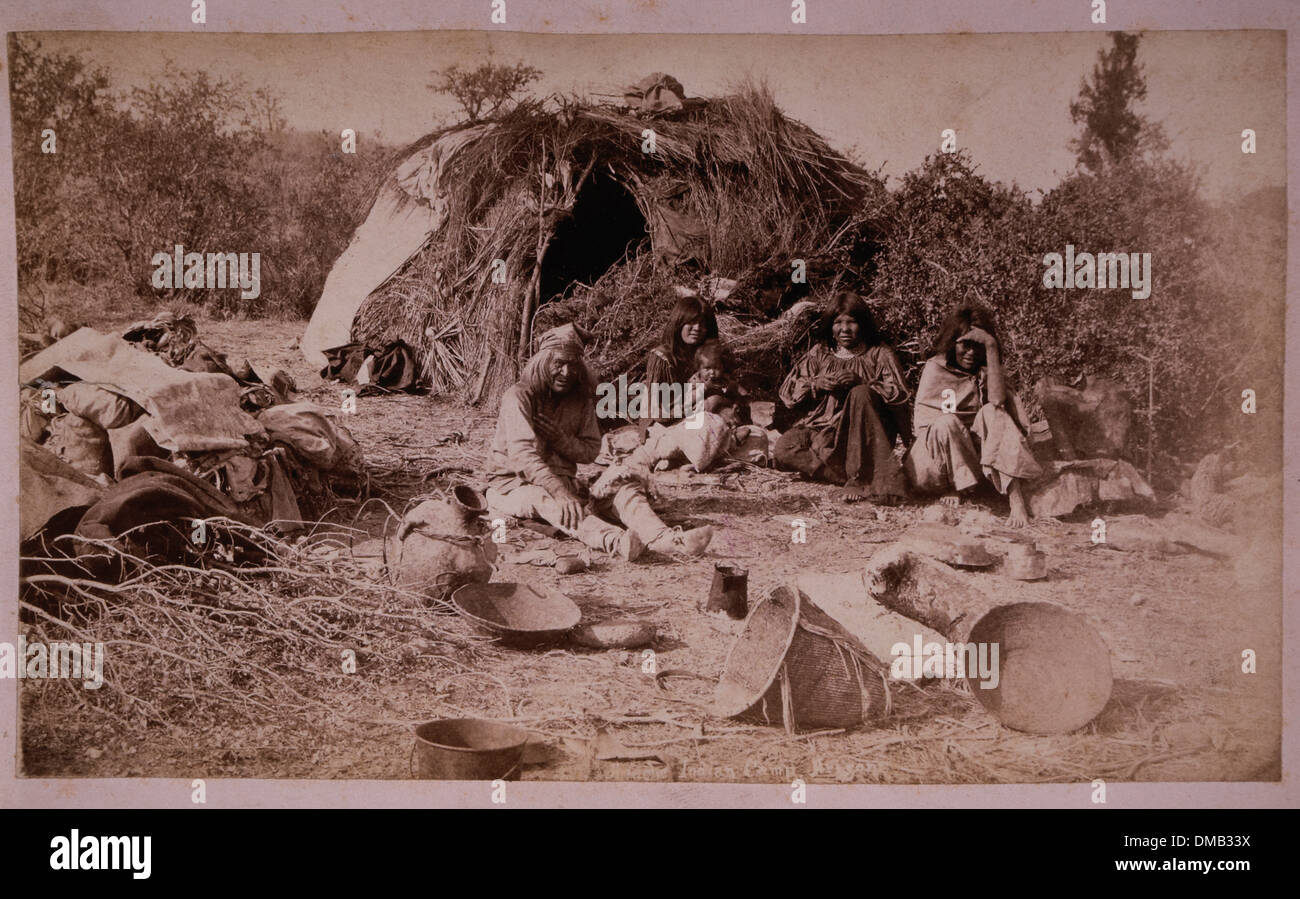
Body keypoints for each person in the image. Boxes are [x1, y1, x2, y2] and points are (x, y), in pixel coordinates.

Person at [485, 323, 713, 559]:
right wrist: (559, 491)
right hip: (511, 486)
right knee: (545, 500)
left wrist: (561, 440)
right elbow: (523, 456)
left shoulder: (579, 398)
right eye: (559, 363)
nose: (566, 372)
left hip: (565, 483)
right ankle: (616, 542)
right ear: (542, 362)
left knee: (622, 487)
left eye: (573, 364)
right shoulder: (519, 397)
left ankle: (665, 539)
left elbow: (589, 451)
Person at [904, 304, 1042, 528]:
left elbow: (997, 402)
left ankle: (1015, 499)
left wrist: (991, 346)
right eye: (965, 345)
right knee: (947, 420)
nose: (971, 353)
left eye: (978, 346)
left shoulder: (988, 371)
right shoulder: (935, 368)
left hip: (973, 462)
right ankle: (954, 486)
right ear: (952, 343)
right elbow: (924, 428)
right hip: (933, 465)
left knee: (992, 411)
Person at [773, 292, 910, 505]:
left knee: (860, 393)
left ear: (863, 324)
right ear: (830, 325)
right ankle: (841, 475)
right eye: (838, 322)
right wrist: (815, 384)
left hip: (862, 433)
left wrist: (862, 381)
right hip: (820, 428)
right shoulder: (821, 352)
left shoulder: (878, 353)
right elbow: (788, 392)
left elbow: (899, 394)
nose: (844, 329)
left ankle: (860, 476)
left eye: (852, 322)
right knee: (783, 449)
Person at [640, 295, 721, 430]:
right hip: (664, 422)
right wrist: (703, 393)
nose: (697, 328)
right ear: (679, 323)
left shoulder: (705, 356)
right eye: (691, 322)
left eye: (702, 323)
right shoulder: (662, 358)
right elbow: (660, 412)